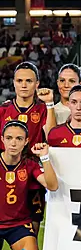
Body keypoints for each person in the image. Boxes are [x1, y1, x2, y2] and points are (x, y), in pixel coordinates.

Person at [0, 120, 58, 250]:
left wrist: (44, 157)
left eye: (18, 139)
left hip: (19, 225)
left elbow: (52, 185)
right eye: (9, 138)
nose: (13, 143)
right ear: (2, 140)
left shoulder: (30, 166)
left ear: (25, 142)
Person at [0, 62, 56, 233]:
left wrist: (50, 104)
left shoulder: (42, 109)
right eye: (20, 80)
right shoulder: (3, 110)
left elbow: (52, 134)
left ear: (37, 84)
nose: (24, 85)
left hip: (33, 175)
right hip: (6, 173)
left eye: (29, 81)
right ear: (14, 83)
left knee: (33, 224)